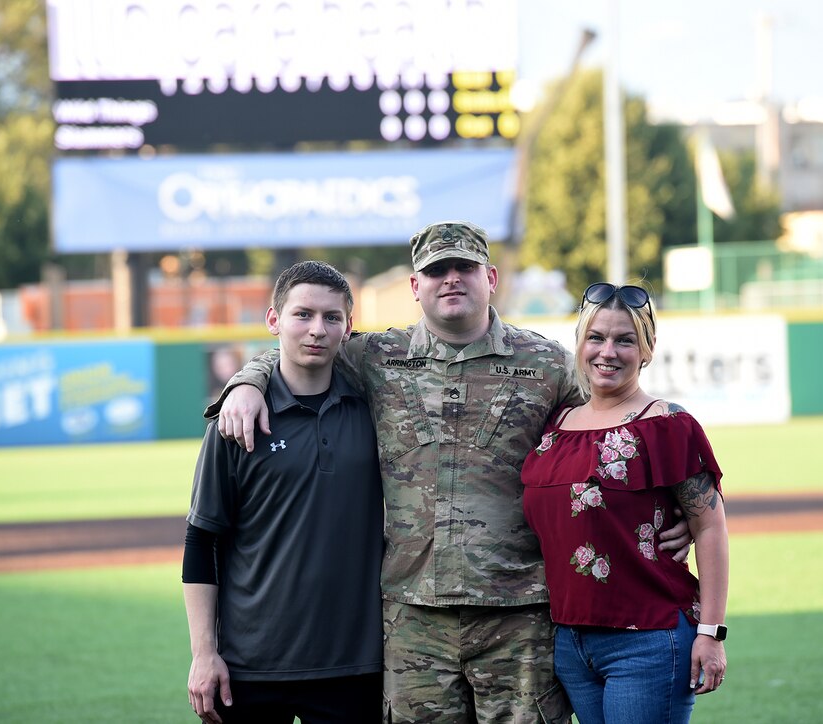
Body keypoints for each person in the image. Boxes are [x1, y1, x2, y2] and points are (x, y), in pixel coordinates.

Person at [207, 222, 692, 722]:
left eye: (465, 267)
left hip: (518, 617)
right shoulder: (376, 356)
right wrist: (248, 380)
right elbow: (303, 347)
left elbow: (614, 419)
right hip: (413, 618)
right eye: (437, 270)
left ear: (491, 277)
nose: (452, 279)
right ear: (416, 286)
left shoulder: (546, 364)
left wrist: (672, 505)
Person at [520, 282, 730, 724]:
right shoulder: (557, 424)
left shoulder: (668, 425)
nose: (607, 351)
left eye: (625, 340)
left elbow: (710, 527)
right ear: (580, 345)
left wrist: (711, 634)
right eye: (596, 338)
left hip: (647, 641)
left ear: (648, 349)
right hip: (570, 643)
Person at [183, 261, 383, 724]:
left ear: (348, 328)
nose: (317, 329)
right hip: (249, 668)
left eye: (332, 317)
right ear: (273, 320)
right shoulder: (235, 422)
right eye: (303, 314)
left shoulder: (377, 408)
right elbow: (202, 540)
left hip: (353, 667)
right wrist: (203, 653)